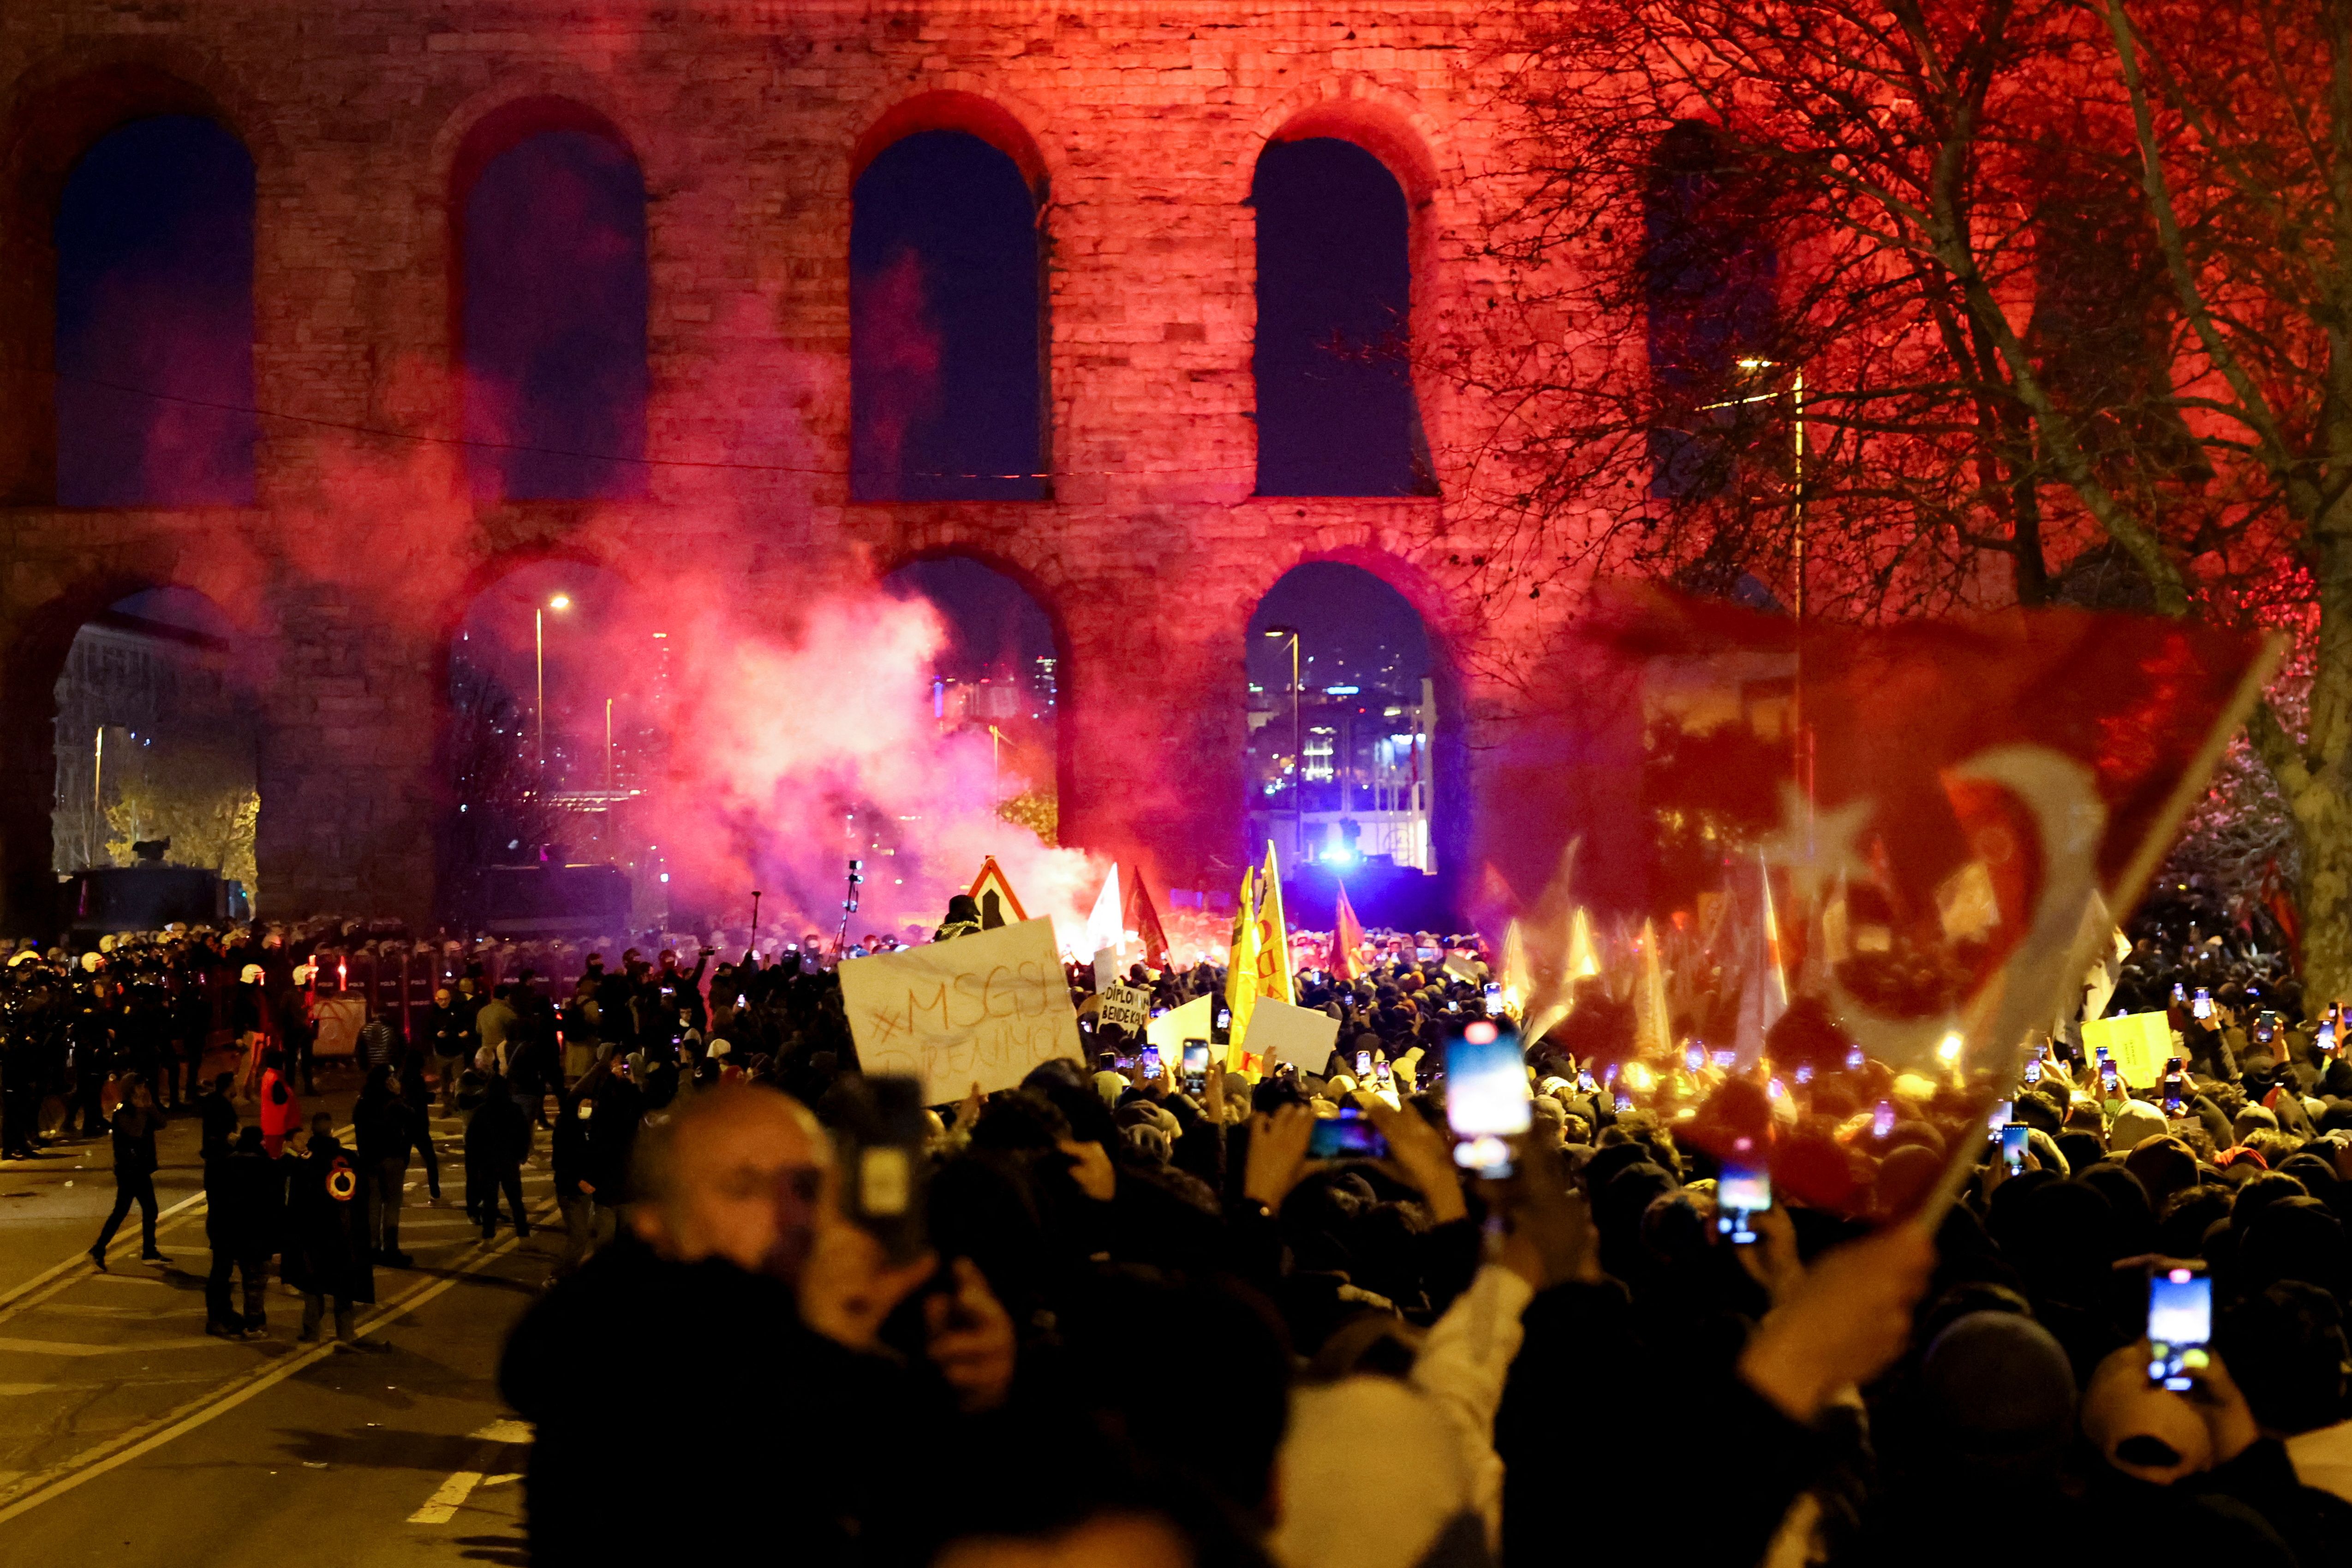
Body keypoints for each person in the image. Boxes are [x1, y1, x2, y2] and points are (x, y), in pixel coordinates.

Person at [499, 1083, 1016, 1565]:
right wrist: (828, 1352)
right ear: (654, 1220)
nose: (788, 1214)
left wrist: (981, 1388)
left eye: (806, 1187)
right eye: (743, 1188)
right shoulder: (606, 1358)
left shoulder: (822, 1311)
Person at [282, 1112, 382, 1350]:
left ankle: (312, 1332)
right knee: (344, 1283)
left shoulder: (305, 1164)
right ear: (333, 1131)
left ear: (312, 1134)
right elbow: (364, 1195)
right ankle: (346, 1332)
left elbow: (294, 1202)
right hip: (346, 1232)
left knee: (312, 1282)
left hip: (314, 1233)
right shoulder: (350, 1159)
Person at [205, 1125, 281, 1337]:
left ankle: (218, 1317)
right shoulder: (268, 1167)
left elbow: (214, 1196)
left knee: (220, 1275)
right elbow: (275, 1207)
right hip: (254, 1231)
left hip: (224, 1228)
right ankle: (254, 1323)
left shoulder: (224, 1164)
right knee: (254, 1279)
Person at [87, 1073, 168, 1270]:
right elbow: (136, 1131)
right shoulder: (124, 1111)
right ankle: (146, 1251)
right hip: (130, 1169)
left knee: (130, 1210)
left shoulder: (142, 1108)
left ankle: (100, 1248)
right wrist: (143, 1110)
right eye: (141, 1086)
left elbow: (162, 1123)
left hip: (140, 1167)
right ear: (132, 1089)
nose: (144, 1090)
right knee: (140, 1210)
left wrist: (149, 1106)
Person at [466, 1072, 531, 1242]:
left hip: (488, 1163)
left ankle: (488, 1237)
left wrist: (475, 1164)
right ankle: (524, 1237)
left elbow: (473, 1140)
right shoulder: (515, 1110)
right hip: (509, 1162)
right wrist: (520, 1155)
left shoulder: (482, 1112)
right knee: (516, 1202)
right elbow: (524, 1135)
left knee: (490, 1203)